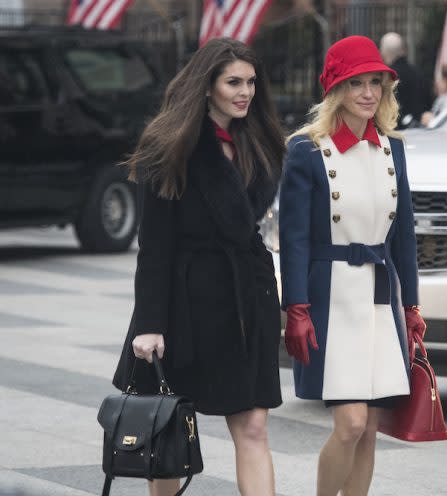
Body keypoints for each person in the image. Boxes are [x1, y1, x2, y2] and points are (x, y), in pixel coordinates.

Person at [112, 38, 286, 496]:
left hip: (246, 303)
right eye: (233, 82)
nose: (245, 91)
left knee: (253, 429)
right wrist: (148, 325)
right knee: (167, 428)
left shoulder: (261, 141)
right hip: (184, 308)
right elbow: (154, 246)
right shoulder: (169, 144)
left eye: (251, 82)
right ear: (207, 86)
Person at [279, 35, 426, 496]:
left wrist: (412, 308)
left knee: (370, 428)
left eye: (376, 83)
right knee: (350, 422)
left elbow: (403, 235)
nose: (368, 93)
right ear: (335, 90)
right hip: (332, 298)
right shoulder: (306, 150)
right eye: (356, 83)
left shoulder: (392, 148)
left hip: (382, 297)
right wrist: (296, 307)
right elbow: (294, 239)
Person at [379, 32, 430, 128]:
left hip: (397, 130)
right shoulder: (418, 72)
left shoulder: (388, 76)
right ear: (402, 49)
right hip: (421, 129)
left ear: (384, 52)